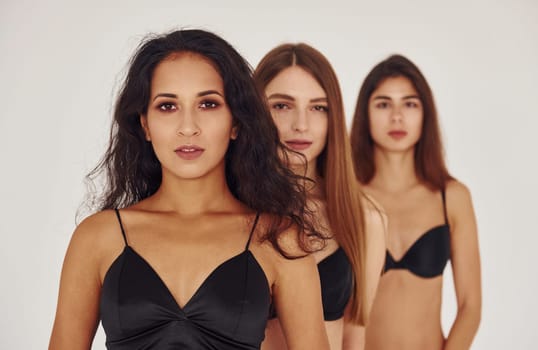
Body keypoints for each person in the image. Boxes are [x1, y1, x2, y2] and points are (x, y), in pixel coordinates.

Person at [48, 29, 331, 350]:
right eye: (168, 106)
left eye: (208, 104)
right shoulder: (98, 238)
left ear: (236, 122)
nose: (188, 127)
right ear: (144, 124)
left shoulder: (280, 239)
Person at [254, 43, 386, 350]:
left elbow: (354, 337)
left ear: (333, 118)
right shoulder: (230, 210)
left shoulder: (365, 218)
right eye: (282, 106)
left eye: (318, 107)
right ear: (255, 111)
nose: (301, 124)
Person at [350, 54, 481, 349]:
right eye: (383, 104)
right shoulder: (348, 197)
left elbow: (471, 307)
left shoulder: (452, 197)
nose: (397, 117)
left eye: (409, 104)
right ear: (365, 114)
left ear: (425, 114)